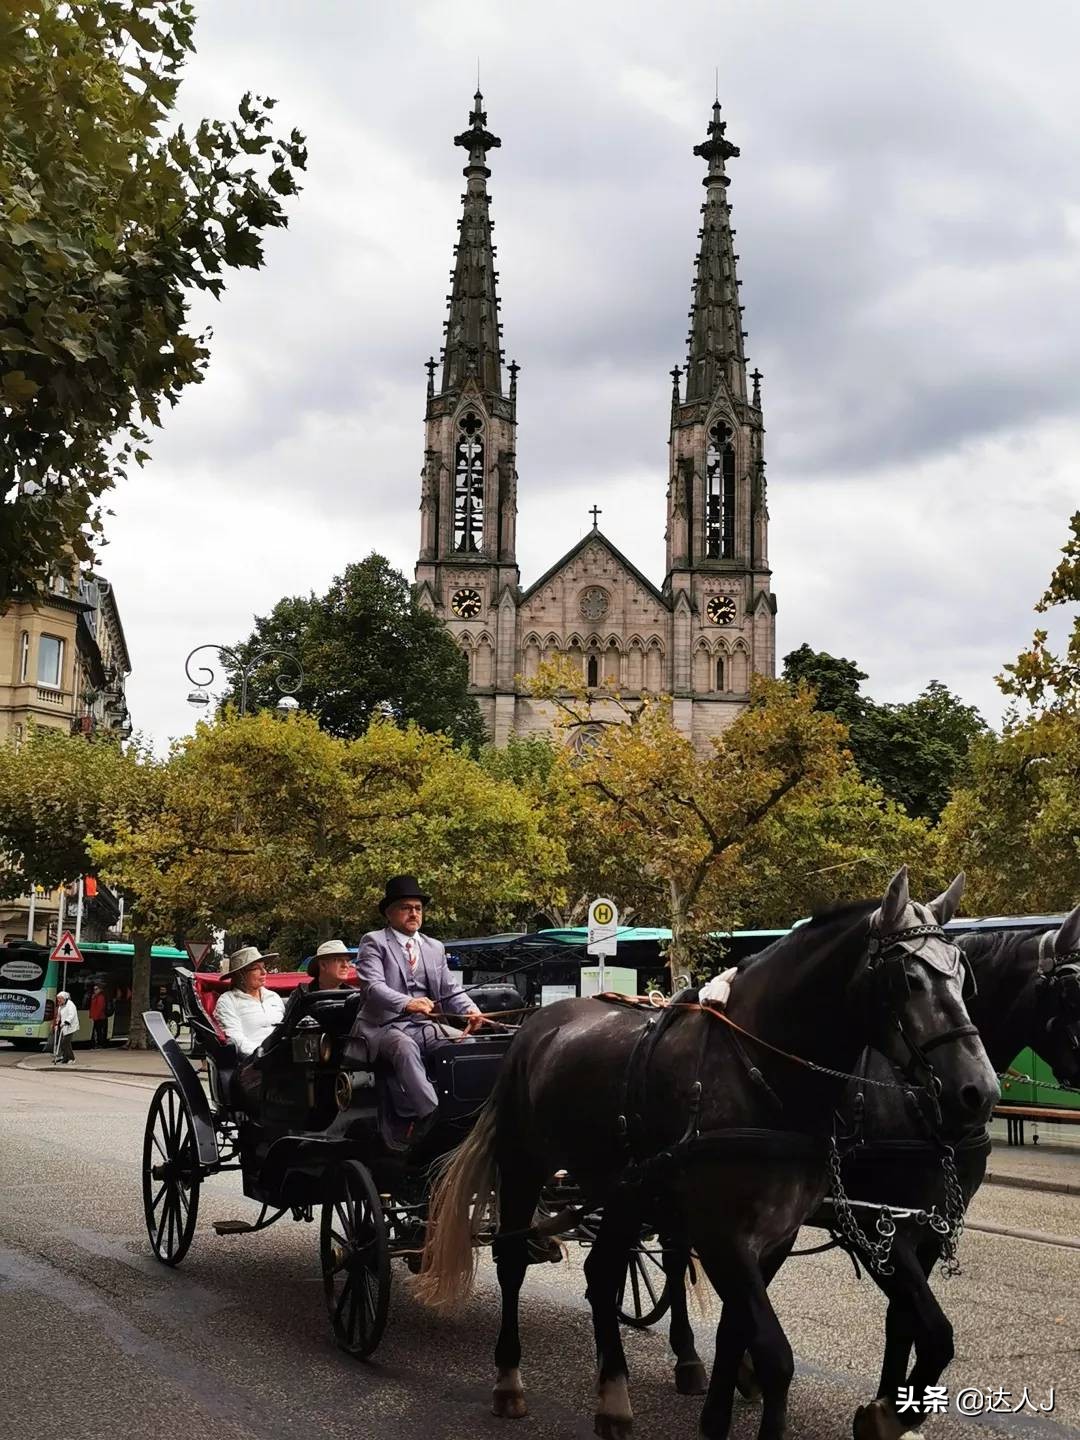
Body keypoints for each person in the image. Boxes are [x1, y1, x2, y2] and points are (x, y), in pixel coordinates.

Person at [348, 876, 485, 1146]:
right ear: (389, 913)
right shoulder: (374, 942)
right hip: (383, 1027)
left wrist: (471, 1010)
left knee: (468, 1043)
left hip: (424, 1026)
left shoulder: (434, 947)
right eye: (406, 907)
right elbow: (372, 987)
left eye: (418, 908)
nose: (413, 913)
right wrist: (407, 1002)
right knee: (405, 1048)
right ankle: (434, 1117)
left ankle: (474, 1115)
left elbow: (448, 988)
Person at [213, 947, 285, 1057]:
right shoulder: (227, 1001)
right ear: (240, 974)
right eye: (256, 968)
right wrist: (262, 1055)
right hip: (252, 1062)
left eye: (264, 967)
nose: (264, 972)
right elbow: (236, 1038)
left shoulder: (274, 997)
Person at [54, 990, 79, 1065]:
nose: (58, 1000)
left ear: (64, 998)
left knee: (65, 1042)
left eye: (60, 998)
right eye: (58, 998)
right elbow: (59, 1015)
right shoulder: (61, 1005)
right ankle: (65, 1058)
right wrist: (57, 1022)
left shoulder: (70, 1005)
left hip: (70, 1026)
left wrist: (66, 1022)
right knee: (63, 1043)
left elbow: (72, 1015)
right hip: (63, 1026)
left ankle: (72, 1058)